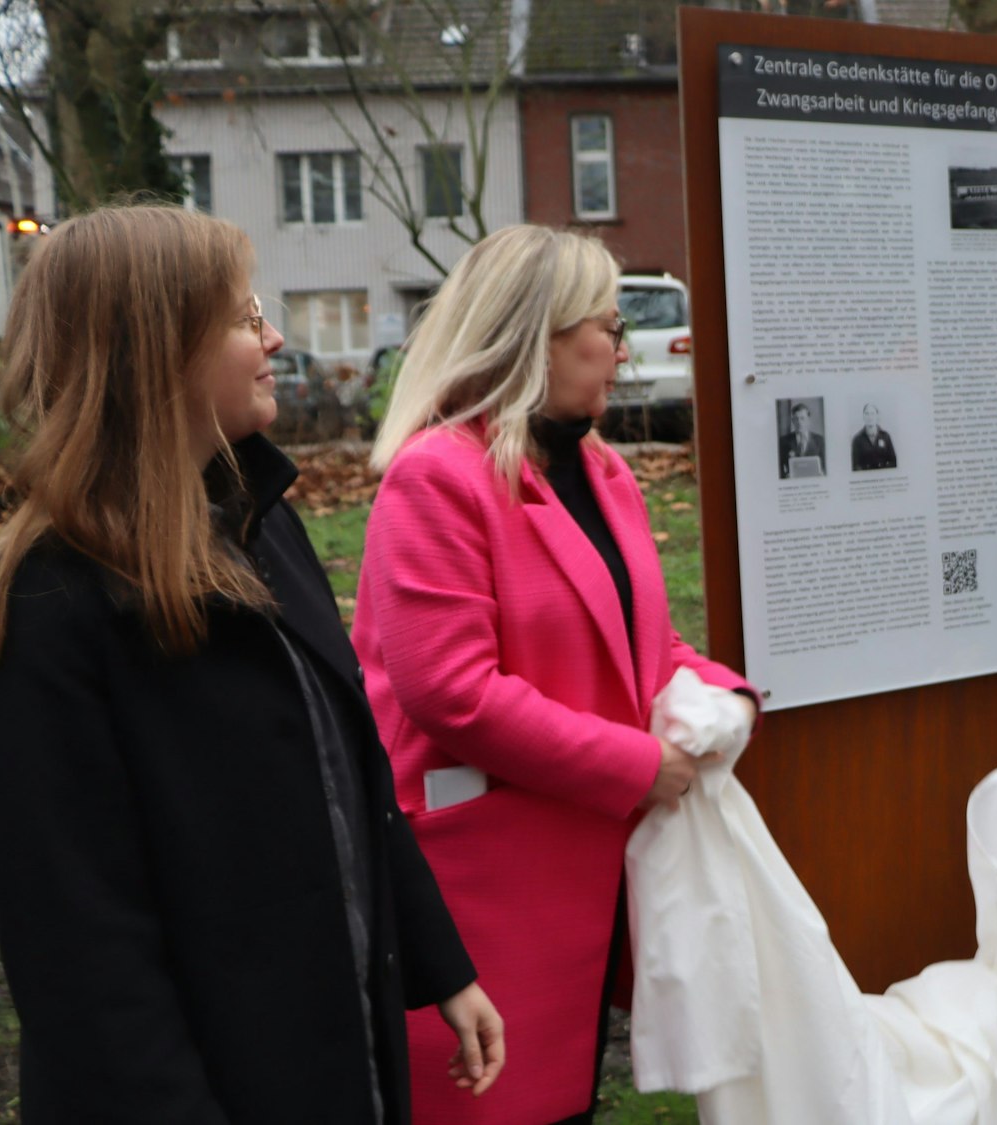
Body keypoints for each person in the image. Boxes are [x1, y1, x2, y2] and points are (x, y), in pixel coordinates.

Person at [0, 205, 503, 1124]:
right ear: (156, 350)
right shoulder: (32, 613)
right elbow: (84, 964)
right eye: (245, 318)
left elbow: (351, 769)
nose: (274, 336)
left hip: (337, 1053)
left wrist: (441, 965)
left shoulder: (262, 522)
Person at [356, 225, 758, 1125]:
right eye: (608, 328)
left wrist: (725, 692)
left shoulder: (600, 467)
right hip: (483, 886)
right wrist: (636, 765)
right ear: (537, 334)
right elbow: (451, 690)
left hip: (578, 869)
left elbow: (637, 643)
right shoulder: (437, 476)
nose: (622, 351)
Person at [779, 400, 826, 478]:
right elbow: (779, 468)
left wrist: (823, 474)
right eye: (796, 419)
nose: (799, 422)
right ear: (793, 421)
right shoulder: (783, 441)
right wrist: (785, 478)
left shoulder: (820, 440)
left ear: (808, 420)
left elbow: (825, 466)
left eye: (802, 418)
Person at [851, 403, 898, 470]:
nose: (870, 417)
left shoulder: (886, 436)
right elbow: (855, 465)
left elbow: (893, 462)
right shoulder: (857, 439)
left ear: (877, 416)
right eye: (867, 414)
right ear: (863, 416)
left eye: (872, 413)